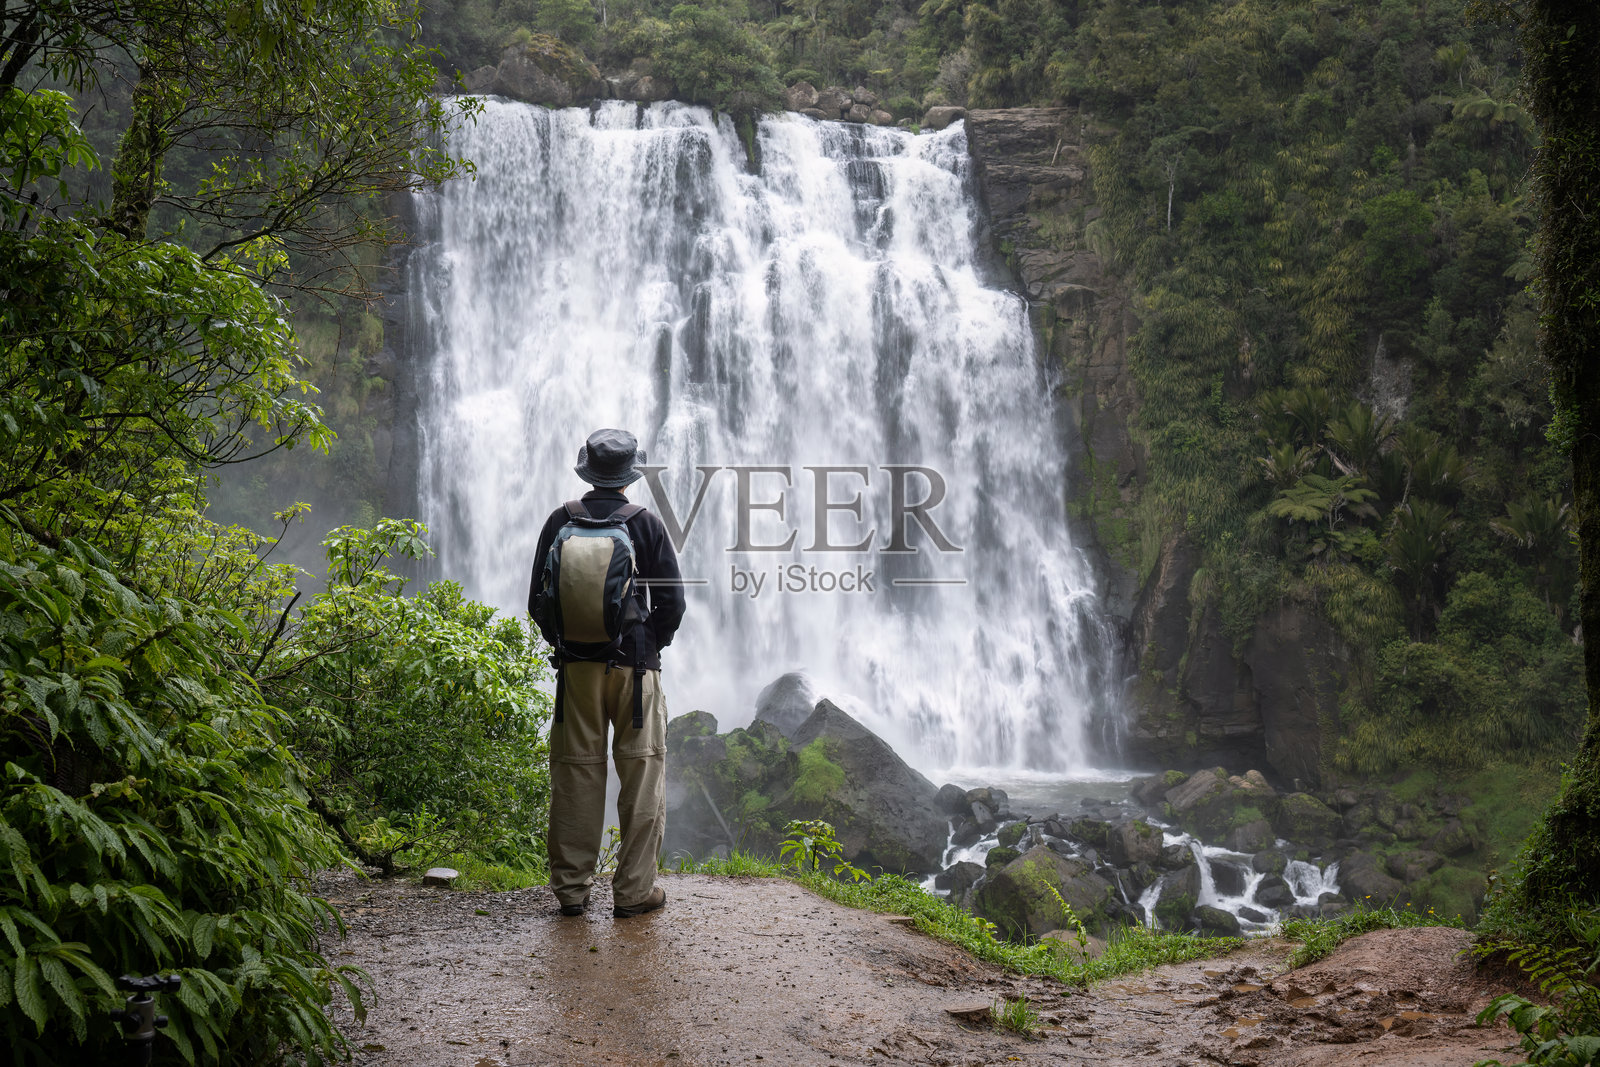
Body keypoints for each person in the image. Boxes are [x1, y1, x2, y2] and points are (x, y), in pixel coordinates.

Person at [529, 428, 685, 918]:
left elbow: (537, 600)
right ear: (628, 477)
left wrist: (566, 646)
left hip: (577, 670)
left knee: (576, 773)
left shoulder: (561, 520)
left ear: (588, 472)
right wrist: (648, 645)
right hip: (635, 673)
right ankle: (635, 892)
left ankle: (572, 892)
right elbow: (673, 603)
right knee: (641, 774)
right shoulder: (646, 524)